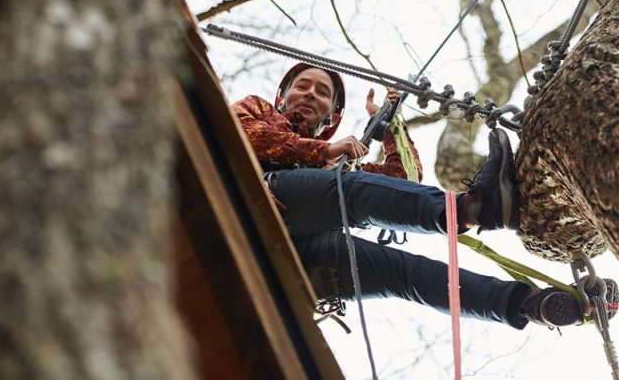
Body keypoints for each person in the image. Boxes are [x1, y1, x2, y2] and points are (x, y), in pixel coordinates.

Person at [231, 62, 617, 330]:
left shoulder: (336, 169)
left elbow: (403, 179)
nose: (310, 94)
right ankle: (475, 211)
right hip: (258, 203)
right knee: (353, 195)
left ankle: (529, 306)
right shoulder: (260, 110)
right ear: (281, 95)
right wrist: (322, 153)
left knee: (403, 270)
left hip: (297, 261)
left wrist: (388, 126)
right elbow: (242, 135)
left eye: (321, 92)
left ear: (332, 115)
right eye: (302, 86)